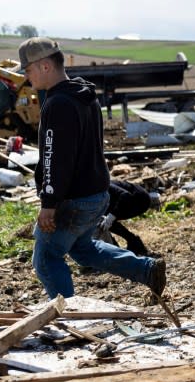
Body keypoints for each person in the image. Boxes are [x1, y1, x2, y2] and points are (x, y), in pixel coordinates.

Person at [18, 37, 166, 299]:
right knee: (84, 249)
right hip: (97, 194)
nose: (26, 77)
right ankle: (146, 269)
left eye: (27, 70)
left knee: (46, 260)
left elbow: (55, 157)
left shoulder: (58, 104)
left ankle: (66, 316)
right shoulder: (85, 97)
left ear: (44, 66)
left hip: (72, 200)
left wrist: (49, 203)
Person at [94, 180, 154, 256]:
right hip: (126, 200)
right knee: (103, 218)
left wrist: (111, 216)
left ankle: (134, 242)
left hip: (140, 199)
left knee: (106, 218)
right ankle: (119, 244)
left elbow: (126, 195)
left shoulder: (101, 184)